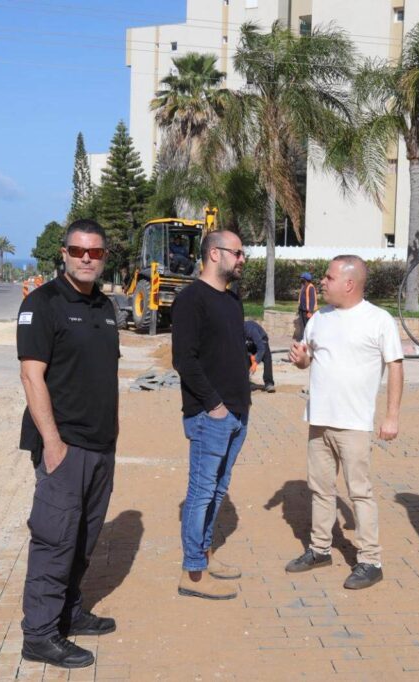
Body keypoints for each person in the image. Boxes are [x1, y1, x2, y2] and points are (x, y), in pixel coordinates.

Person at [16, 219, 120, 669]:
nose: (86, 259)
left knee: (84, 538)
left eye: (94, 252)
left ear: (104, 257)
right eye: (78, 251)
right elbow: (31, 376)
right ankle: (39, 635)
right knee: (54, 539)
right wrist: (53, 444)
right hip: (65, 445)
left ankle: (69, 612)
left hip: (101, 446)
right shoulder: (43, 304)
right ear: (64, 253)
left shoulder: (106, 306)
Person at [284, 256, 404, 590]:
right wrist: (301, 360)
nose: (322, 282)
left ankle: (370, 561)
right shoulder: (319, 318)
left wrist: (391, 416)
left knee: (359, 492)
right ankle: (320, 549)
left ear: (349, 284)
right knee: (320, 489)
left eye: (329, 277)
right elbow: (309, 359)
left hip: (354, 424)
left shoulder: (378, 320)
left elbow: (395, 366)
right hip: (319, 420)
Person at [172, 230, 251, 600]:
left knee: (218, 489)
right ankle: (192, 573)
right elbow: (183, 359)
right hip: (210, 416)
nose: (242, 259)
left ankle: (204, 555)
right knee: (201, 491)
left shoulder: (232, 300)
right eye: (238, 252)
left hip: (237, 412)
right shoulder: (190, 299)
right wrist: (214, 405)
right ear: (215, 254)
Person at [243, 319, 275, 393]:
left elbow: (261, 348)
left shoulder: (251, 330)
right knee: (244, 358)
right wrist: (250, 355)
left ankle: (269, 383)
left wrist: (255, 363)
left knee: (267, 358)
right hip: (249, 343)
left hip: (262, 340)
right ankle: (245, 382)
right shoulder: (236, 333)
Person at [295, 272, 318, 341]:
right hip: (302, 310)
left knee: (307, 326)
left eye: (302, 278)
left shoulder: (311, 287)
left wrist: (310, 311)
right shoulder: (303, 286)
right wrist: (299, 309)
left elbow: (312, 300)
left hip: (307, 311)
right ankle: (303, 340)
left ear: (306, 279)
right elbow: (302, 298)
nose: (301, 279)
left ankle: (308, 340)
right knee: (302, 326)